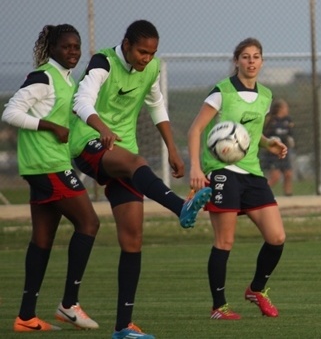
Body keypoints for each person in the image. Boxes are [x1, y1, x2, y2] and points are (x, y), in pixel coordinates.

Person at [69, 19, 212, 339]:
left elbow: (156, 105)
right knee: (136, 161)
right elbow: (81, 100)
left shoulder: (151, 68)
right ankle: (180, 207)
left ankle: (123, 327)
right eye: (142, 52)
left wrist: (174, 150)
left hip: (123, 154)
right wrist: (102, 128)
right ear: (127, 44)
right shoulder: (103, 62)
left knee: (132, 239)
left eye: (152, 53)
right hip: (87, 144)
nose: (147, 58)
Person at [2, 24, 100, 332]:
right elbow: (10, 112)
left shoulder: (66, 79)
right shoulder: (43, 77)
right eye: (67, 47)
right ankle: (69, 304)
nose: (73, 52)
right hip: (47, 166)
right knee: (89, 223)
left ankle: (26, 317)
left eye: (77, 47)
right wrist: (50, 127)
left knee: (42, 239)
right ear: (52, 48)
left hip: (46, 165)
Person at [187, 37, 287, 320]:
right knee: (225, 241)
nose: (251, 61)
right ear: (236, 61)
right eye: (245, 56)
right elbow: (195, 131)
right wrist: (196, 169)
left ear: (262, 61)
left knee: (277, 237)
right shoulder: (221, 92)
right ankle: (219, 307)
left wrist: (269, 144)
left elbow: (246, 137)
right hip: (221, 173)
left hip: (252, 173)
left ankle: (257, 289)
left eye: (256, 56)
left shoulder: (266, 96)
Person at [261, 98, 295, 196]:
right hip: (272, 152)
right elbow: (264, 135)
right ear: (279, 109)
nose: (287, 110)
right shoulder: (270, 120)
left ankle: (288, 195)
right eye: (285, 108)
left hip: (284, 150)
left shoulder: (288, 120)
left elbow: (290, 133)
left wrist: (290, 139)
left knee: (288, 174)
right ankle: (261, 193)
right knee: (275, 177)